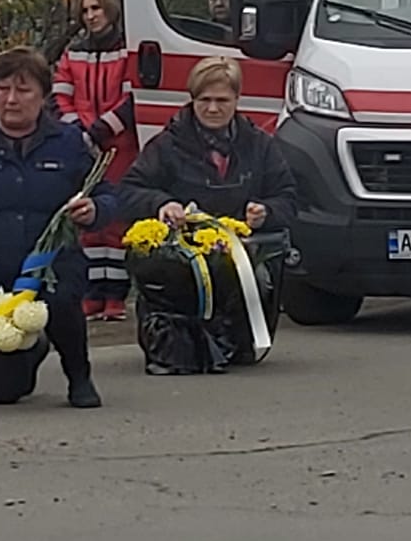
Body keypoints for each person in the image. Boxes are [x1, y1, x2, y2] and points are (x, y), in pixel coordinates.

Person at [0, 47, 114, 408]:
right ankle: (33, 347)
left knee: (63, 303)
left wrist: (96, 209)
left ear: (43, 97)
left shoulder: (69, 142)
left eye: (23, 90)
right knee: (2, 393)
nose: (11, 99)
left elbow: (109, 194)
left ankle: (79, 374)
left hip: (55, 271)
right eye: (3, 89)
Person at [120, 57, 297, 372]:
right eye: (205, 100)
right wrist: (161, 204)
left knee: (255, 276)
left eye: (222, 101)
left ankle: (239, 341)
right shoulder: (165, 146)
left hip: (241, 252)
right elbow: (129, 191)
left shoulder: (260, 145)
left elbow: (288, 198)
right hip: (181, 256)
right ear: (192, 100)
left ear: (237, 101)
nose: (213, 109)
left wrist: (266, 212)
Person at [53, 0, 140, 323]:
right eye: (86, 10)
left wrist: (104, 128)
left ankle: (115, 295)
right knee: (86, 220)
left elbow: (133, 97)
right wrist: (76, 129)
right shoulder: (73, 51)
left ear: (110, 9)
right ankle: (93, 293)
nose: (91, 16)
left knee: (115, 219)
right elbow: (61, 92)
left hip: (119, 145)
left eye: (96, 8)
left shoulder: (127, 50)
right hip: (82, 145)